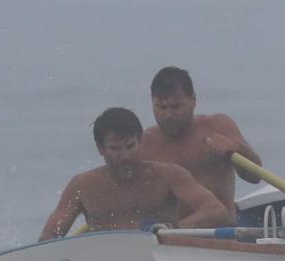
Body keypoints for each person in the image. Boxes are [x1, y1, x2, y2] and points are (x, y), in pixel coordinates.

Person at [39, 107, 230, 241]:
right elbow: (49, 237)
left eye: (130, 146)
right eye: (115, 149)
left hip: (161, 257)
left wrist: (172, 229)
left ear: (140, 141)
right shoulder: (82, 186)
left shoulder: (169, 175)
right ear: (100, 149)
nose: (124, 156)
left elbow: (215, 210)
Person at [140, 66, 262, 217]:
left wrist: (236, 149)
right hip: (170, 235)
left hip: (222, 232)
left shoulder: (217, 126)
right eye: (161, 107)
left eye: (176, 106)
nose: (168, 115)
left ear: (193, 100)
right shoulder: (144, 143)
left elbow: (255, 177)